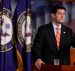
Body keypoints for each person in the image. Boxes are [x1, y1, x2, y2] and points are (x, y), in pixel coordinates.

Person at [31, 5, 75, 69]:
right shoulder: (43, 30)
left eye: (64, 14)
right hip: (47, 66)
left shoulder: (68, 31)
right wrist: (38, 59)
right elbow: (36, 47)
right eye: (59, 13)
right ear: (53, 15)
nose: (62, 16)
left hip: (65, 67)